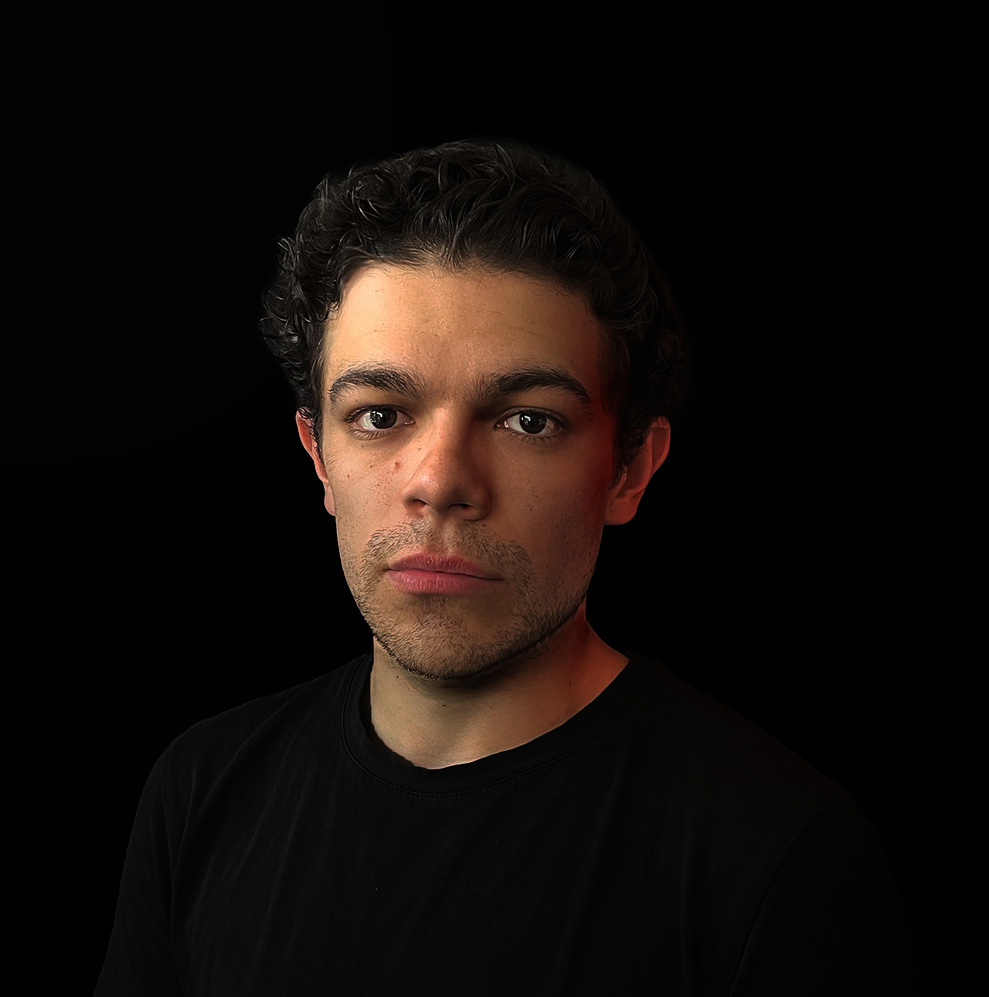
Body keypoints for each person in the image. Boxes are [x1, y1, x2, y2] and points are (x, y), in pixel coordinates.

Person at [96, 140, 918, 995]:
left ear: (629, 468)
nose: (441, 481)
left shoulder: (775, 854)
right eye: (379, 414)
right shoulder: (202, 792)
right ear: (317, 455)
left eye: (527, 421)